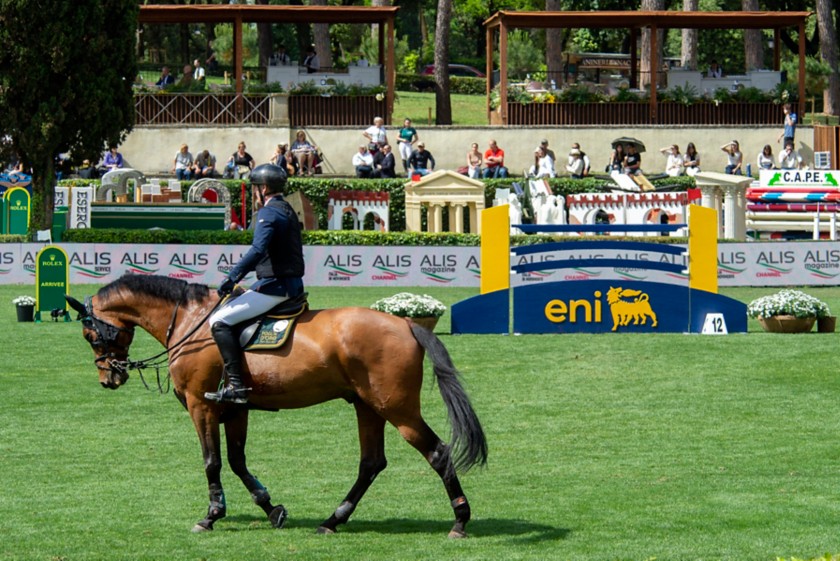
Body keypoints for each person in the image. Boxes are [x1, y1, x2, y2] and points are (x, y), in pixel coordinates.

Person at [205, 164, 305, 404]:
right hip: (291, 284)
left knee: (219, 320)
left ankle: (236, 387)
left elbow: (258, 249)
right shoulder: (288, 208)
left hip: (276, 289)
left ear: (264, 188)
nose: (254, 192)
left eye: (255, 188)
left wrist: (233, 277)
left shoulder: (268, 213)